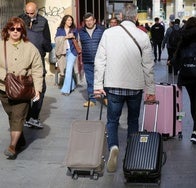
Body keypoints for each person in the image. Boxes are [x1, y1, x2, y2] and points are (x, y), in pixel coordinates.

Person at [93, 3, 156, 172]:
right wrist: (150, 91)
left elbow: (100, 61)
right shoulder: (142, 36)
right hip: (135, 87)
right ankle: (132, 153)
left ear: (121, 16)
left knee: (112, 120)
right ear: (136, 17)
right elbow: (148, 66)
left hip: (113, 86)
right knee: (133, 121)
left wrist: (98, 85)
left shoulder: (108, 33)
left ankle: (113, 146)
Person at [0, 17, 43, 159]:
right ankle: (20, 139)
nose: (15, 32)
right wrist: (5, 76)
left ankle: (12, 146)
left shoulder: (30, 48)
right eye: (12, 29)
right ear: (7, 30)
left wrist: (38, 89)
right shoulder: (1, 45)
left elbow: (37, 69)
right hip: (4, 89)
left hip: (23, 89)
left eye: (18, 29)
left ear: (22, 31)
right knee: (12, 115)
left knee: (18, 117)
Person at [19, 2, 52, 128]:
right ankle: (27, 116)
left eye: (32, 13)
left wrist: (43, 47)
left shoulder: (43, 22)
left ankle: (33, 116)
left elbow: (47, 42)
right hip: (22, 61)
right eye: (27, 13)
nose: (29, 15)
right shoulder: (19, 19)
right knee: (25, 88)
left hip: (38, 60)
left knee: (41, 88)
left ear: (37, 11)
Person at [78, 12, 104, 107]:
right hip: (87, 60)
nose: (89, 22)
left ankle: (105, 98)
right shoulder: (81, 32)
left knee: (103, 80)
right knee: (90, 81)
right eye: (86, 21)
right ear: (84, 22)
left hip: (100, 61)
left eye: (90, 20)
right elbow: (79, 45)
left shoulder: (101, 30)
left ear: (94, 21)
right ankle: (92, 100)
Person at [55, 15, 79, 96]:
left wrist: (73, 36)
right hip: (64, 51)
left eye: (71, 20)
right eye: (68, 20)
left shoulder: (74, 29)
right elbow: (56, 40)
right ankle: (72, 86)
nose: (70, 22)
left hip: (72, 51)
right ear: (64, 21)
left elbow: (77, 40)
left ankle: (65, 90)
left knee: (68, 70)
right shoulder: (60, 29)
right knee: (68, 70)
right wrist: (65, 37)